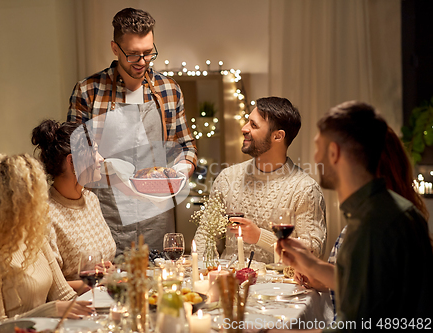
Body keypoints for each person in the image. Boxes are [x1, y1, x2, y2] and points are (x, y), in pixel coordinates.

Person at [277, 101, 433, 332]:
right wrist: (309, 263)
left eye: (318, 147)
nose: (316, 158)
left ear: (334, 152)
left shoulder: (371, 226)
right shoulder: (392, 208)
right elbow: (368, 286)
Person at [67, 8, 197, 254]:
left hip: (157, 214)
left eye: (148, 53)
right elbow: (73, 157)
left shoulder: (169, 90)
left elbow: (186, 147)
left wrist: (181, 169)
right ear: (115, 49)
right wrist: (93, 162)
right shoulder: (89, 91)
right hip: (106, 213)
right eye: (133, 55)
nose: (142, 62)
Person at [0, 154, 93, 333]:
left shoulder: (33, 237)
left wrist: (93, 307)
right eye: (33, 195)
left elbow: (64, 295)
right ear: (11, 202)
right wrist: (52, 309)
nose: (40, 202)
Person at [195, 97, 327, 263]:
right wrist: (206, 272)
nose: (244, 128)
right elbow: (204, 234)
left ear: (278, 136)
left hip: (282, 287)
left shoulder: (305, 189)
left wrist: (260, 237)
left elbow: (314, 251)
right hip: (230, 282)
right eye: (247, 122)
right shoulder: (228, 178)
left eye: (253, 125)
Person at [32, 120, 116, 292]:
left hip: (103, 300)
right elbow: (51, 287)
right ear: (72, 162)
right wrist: (101, 282)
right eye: (95, 152)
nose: (101, 159)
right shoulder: (44, 214)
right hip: (74, 309)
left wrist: (106, 274)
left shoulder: (91, 199)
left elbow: (96, 267)